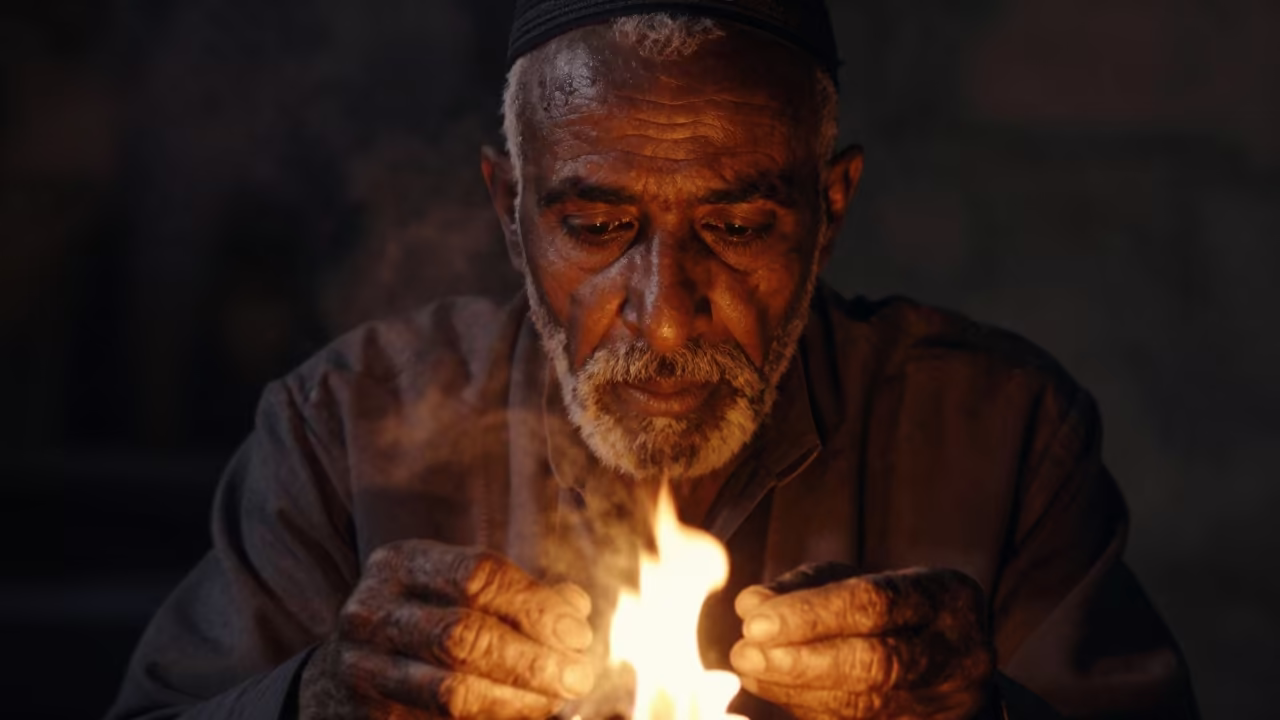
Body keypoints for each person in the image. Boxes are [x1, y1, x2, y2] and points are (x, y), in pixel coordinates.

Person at [106, 1, 1199, 718]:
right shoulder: (344, 423)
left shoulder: (998, 432)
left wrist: (984, 710)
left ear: (828, 208)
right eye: (594, 227)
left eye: (734, 227)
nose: (664, 319)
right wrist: (318, 698)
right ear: (508, 207)